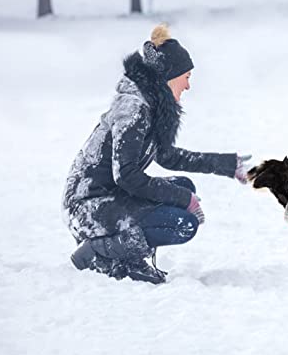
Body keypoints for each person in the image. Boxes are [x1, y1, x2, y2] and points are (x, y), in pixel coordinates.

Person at [62, 24, 251, 284]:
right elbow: (126, 176)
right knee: (182, 223)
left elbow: (168, 157)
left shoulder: (150, 107)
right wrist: (184, 199)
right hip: (86, 207)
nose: (188, 85)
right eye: (186, 76)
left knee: (185, 187)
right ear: (170, 77)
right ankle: (98, 253)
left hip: (110, 196)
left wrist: (227, 165)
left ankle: (124, 252)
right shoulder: (133, 109)